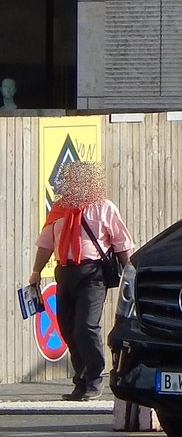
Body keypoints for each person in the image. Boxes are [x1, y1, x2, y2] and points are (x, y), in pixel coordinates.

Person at [28, 161, 134, 401]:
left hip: (92, 274)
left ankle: (95, 380)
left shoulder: (104, 208)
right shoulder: (59, 209)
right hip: (65, 272)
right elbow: (46, 244)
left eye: (73, 180)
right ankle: (82, 380)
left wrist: (131, 277)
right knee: (67, 327)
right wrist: (36, 272)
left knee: (86, 327)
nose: (67, 185)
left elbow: (122, 245)